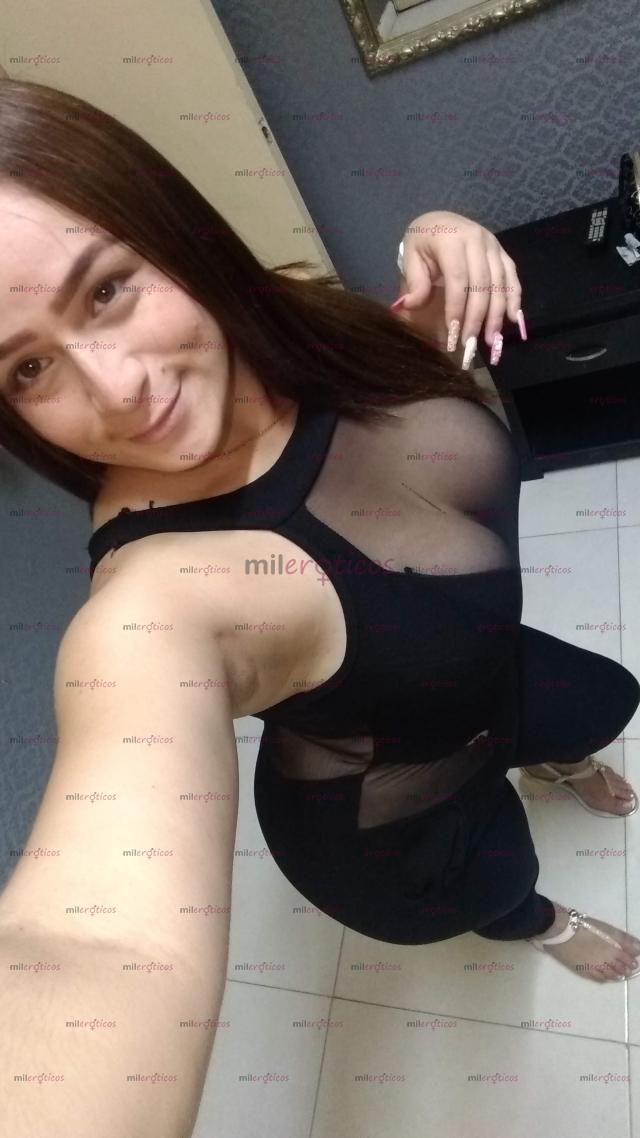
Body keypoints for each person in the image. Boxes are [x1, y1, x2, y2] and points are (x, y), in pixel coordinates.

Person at [1, 75, 640, 1135]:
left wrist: (438, 253)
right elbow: (94, 942)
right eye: (28, 369)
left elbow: (412, 431)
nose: (116, 389)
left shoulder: (298, 312)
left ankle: (551, 759)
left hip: (487, 672)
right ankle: (537, 923)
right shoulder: (159, 596)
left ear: (178, 236)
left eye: (106, 290)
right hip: (388, 816)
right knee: (497, 878)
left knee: (601, 698)